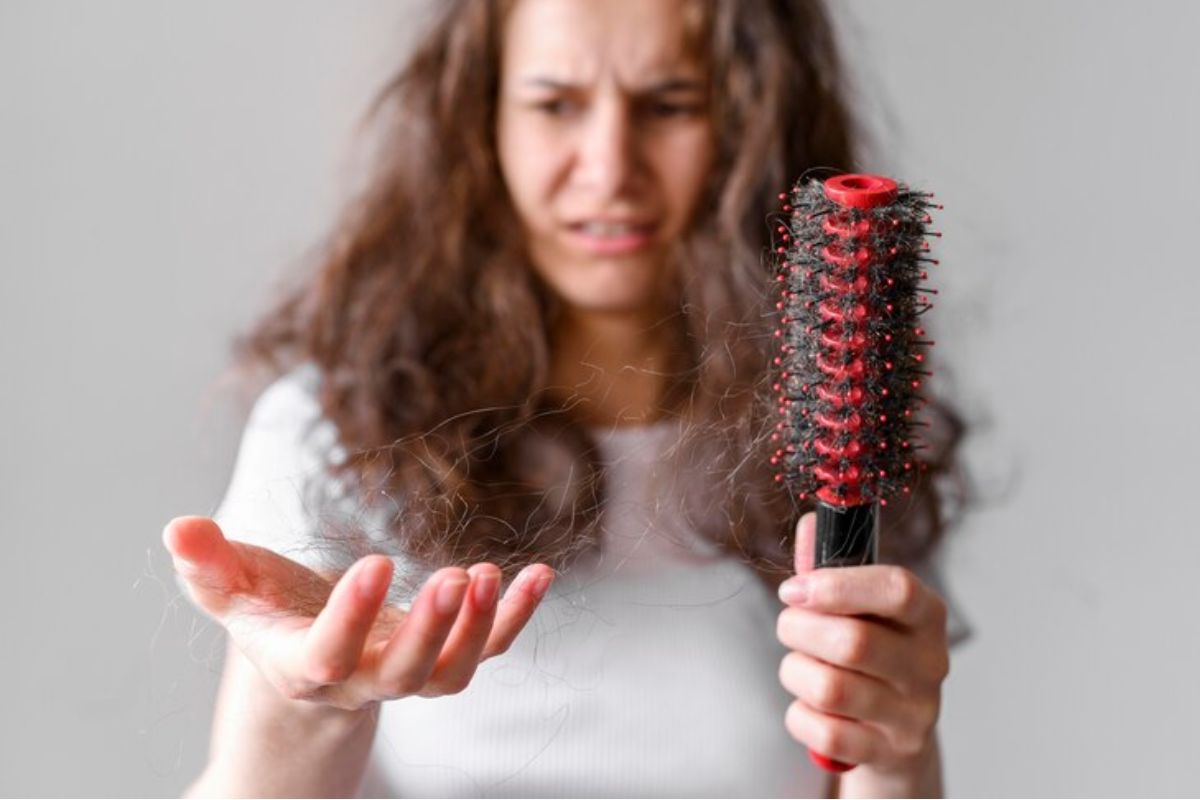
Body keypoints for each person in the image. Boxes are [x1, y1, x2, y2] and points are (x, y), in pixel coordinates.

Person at [163, 0, 967, 796]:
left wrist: (896, 756)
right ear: (483, 120)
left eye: (669, 104)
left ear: (753, 123)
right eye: (555, 105)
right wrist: (312, 706)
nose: (610, 166)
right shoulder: (333, 432)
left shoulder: (840, 436)